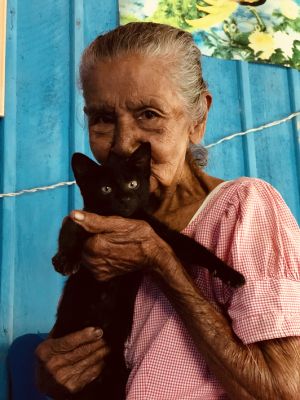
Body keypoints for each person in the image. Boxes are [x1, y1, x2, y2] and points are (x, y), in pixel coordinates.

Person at [34, 22, 300, 399]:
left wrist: (163, 261)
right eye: (103, 119)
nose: (123, 145)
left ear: (197, 119)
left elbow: (284, 391)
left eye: (148, 114)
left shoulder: (243, 209)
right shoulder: (109, 231)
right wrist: (54, 374)